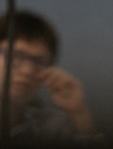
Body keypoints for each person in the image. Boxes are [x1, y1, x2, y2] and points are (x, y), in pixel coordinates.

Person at [0, 10, 102, 147]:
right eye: (16, 56)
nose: (28, 71)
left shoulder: (52, 128)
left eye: (39, 61)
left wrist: (79, 114)